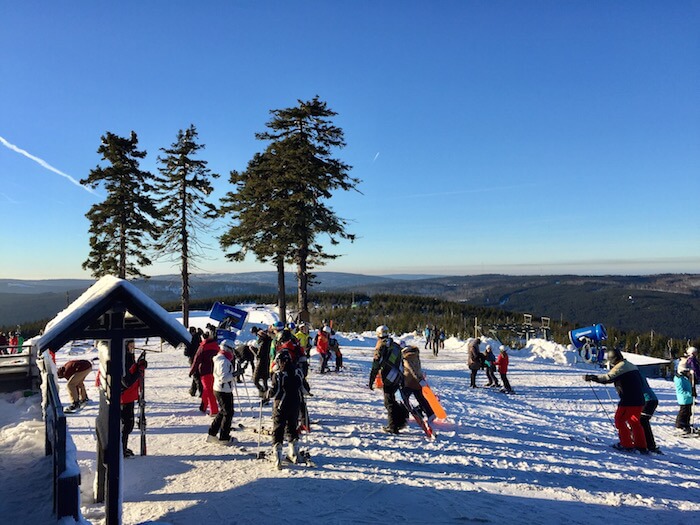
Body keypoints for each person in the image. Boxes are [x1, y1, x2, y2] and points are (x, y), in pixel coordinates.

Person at [584, 348, 647, 452]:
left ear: (612, 359)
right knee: (635, 423)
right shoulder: (631, 365)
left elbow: (608, 378)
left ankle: (626, 445)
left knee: (620, 420)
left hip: (628, 401)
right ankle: (641, 446)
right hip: (639, 400)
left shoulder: (620, 367)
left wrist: (592, 377)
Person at [266, 349, 310, 468]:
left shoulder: (279, 374)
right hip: (295, 403)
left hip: (281, 405)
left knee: (278, 428)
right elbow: (306, 388)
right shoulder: (298, 372)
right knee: (292, 426)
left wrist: (266, 394)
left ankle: (278, 454)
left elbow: (275, 391)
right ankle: (293, 451)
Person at [369, 325, 408, 434]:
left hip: (388, 377)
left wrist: (371, 379)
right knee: (391, 400)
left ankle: (394, 425)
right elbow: (401, 360)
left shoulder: (380, 346)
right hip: (398, 375)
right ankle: (400, 419)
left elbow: (376, 364)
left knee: (389, 402)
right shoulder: (395, 345)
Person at [207, 340, 240, 444]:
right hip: (223, 390)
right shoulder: (223, 361)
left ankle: (212, 433)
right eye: (232, 350)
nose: (233, 352)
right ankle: (224, 437)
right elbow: (223, 377)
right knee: (228, 413)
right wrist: (235, 374)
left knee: (224, 411)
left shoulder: (222, 358)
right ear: (227, 349)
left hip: (222, 389)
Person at [121, 340, 147, 457]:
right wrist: (139, 371)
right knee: (126, 425)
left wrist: (139, 364)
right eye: (131, 346)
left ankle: (123, 447)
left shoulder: (129, 357)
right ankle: (121, 448)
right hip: (124, 397)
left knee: (127, 424)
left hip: (129, 396)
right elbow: (127, 381)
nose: (133, 348)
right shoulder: (124, 358)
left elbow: (132, 370)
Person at [401, 342, 435, 422]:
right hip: (417, 382)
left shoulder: (407, 359)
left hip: (409, 382)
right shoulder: (416, 356)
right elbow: (418, 368)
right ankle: (430, 413)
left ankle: (405, 415)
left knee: (403, 398)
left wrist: (418, 379)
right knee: (420, 398)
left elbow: (412, 370)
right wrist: (420, 378)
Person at [189, 330, 219, 416]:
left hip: (205, 372)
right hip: (215, 371)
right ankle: (203, 407)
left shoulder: (202, 347)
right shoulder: (216, 346)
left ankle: (214, 410)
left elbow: (196, 360)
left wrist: (192, 371)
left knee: (209, 390)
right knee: (207, 389)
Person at [640, 375, 660, 453]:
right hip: (651, 399)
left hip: (648, 400)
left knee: (642, 421)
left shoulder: (635, 375)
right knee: (642, 421)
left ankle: (650, 445)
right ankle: (649, 444)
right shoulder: (638, 373)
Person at [674, 360, 694, 435]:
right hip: (684, 399)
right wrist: (690, 394)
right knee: (683, 412)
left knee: (689, 413)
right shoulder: (679, 379)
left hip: (688, 399)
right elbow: (681, 390)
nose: (687, 372)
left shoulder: (685, 377)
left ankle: (686, 424)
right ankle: (680, 425)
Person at [251, 326, 271, 396]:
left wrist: (252, 349)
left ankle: (262, 392)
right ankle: (266, 395)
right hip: (267, 361)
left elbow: (258, 355)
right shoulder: (268, 341)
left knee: (255, 380)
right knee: (264, 379)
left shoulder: (262, 342)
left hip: (261, 362)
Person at [185, 326, 202, 397]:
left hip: (193, 358)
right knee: (197, 374)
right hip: (200, 358)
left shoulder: (190, 339)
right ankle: (193, 390)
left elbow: (186, 352)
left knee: (196, 375)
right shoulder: (199, 337)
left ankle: (201, 391)